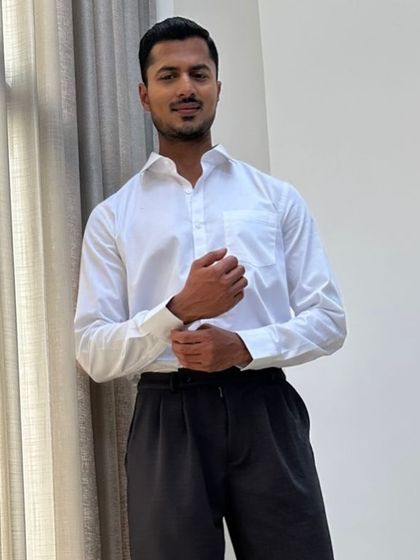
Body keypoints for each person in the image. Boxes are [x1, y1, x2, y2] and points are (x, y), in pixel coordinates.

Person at [74, 16, 346, 560]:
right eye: (168, 76)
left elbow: (328, 319)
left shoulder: (275, 199)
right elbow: (93, 353)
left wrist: (243, 347)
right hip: (166, 420)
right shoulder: (113, 217)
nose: (186, 87)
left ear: (218, 87)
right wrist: (177, 309)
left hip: (264, 407)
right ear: (144, 94)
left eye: (199, 74)